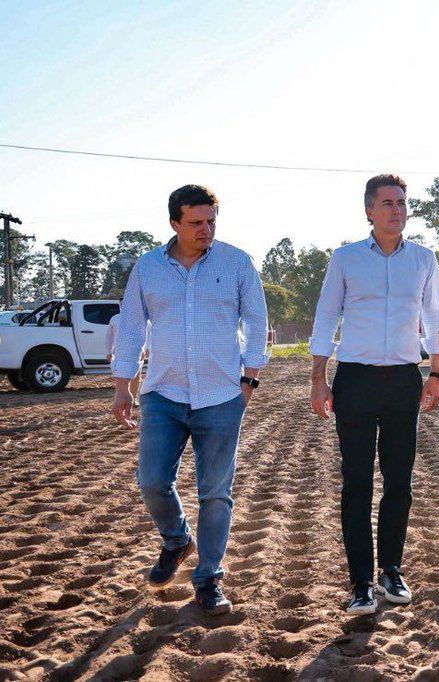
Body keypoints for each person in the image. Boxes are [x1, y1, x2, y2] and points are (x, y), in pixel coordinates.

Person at [111, 184, 269, 616]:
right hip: (162, 392)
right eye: (196, 222)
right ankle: (178, 540)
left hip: (221, 395)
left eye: (212, 221)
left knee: (216, 492)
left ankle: (209, 578)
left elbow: (257, 321)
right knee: (151, 481)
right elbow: (130, 328)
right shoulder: (147, 268)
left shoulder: (236, 262)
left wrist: (249, 379)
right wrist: (124, 385)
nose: (206, 230)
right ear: (174, 223)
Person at [309, 174, 439, 615]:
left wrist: (435, 373)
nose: (396, 210)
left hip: (404, 379)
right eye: (387, 203)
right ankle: (360, 583)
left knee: (399, 483)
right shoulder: (346, 259)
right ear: (369, 210)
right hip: (356, 382)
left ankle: (391, 570)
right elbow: (327, 314)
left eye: (401, 202)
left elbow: (435, 318)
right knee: (357, 484)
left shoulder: (423, 259)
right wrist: (318, 377)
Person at [107, 312, 145, 403]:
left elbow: (147, 333)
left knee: (136, 376)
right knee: (121, 377)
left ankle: (133, 399)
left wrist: (146, 348)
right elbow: (109, 336)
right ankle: (121, 399)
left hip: (137, 351)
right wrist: (109, 351)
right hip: (120, 352)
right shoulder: (115, 319)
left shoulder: (141, 318)